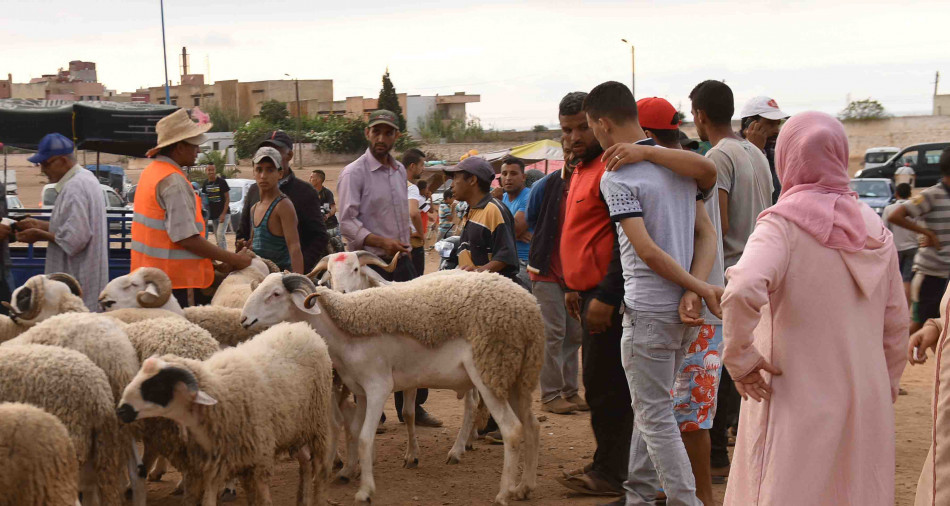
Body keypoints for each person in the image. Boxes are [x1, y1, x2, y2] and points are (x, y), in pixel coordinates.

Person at [720, 111, 908, 506]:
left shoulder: (782, 226)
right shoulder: (876, 231)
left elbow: (741, 288)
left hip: (793, 391)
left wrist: (740, 357)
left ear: (786, 157)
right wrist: (881, 387)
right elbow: (895, 326)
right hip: (865, 394)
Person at [586, 82, 720, 506]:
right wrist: (694, 289)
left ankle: (686, 501)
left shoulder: (618, 176)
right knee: (653, 409)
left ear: (603, 123)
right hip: (680, 313)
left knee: (655, 417)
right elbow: (707, 233)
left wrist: (696, 288)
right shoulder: (680, 167)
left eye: (591, 127)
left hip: (648, 312)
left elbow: (645, 250)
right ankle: (640, 494)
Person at [691, 80, 773, 481]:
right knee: (745, 364)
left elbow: (717, 224)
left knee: (723, 369)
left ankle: (719, 457)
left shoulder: (719, 156)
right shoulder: (756, 154)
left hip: (730, 274)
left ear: (701, 116)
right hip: (762, 273)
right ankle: (739, 453)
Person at [338, 109, 441, 427]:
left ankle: (413, 407)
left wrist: (406, 241)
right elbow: (346, 221)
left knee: (412, 334)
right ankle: (372, 410)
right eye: (376, 132)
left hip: (402, 262)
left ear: (396, 136)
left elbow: (402, 215)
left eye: (388, 132)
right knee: (367, 339)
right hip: (369, 266)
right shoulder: (354, 173)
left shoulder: (399, 172)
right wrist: (381, 241)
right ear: (368, 134)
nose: (382, 138)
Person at [552, 90, 631, 498]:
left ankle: (612, 473)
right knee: (599, 385)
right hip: (584, 295)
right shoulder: (579, 170)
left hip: (607, 301)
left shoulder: (611, 169)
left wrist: (605, 295)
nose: (574, 137)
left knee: (607, 388)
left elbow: (624, 241)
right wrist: (570, 284)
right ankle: (608, 463)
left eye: (582, 127)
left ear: (598, 123)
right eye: (567, 130)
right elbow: (580, 235)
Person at [132, 109, 251, 308]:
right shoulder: (173, 181)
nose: (198, 150)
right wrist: (234, 259)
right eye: (194, 144)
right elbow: (186, 237)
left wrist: (215, 264)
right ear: (179, 147)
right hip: (176, 285)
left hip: (149, 280)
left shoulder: (150, 173)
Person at [526, 138, 586, 415]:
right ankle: (550, 395)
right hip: (548, 272)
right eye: (568, 150)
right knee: (553, 334)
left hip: (578, 274)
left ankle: (570, 391)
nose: (573, 155)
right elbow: (533, 219)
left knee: (574, 334)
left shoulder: (589, 182)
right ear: (563, 152)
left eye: (576, 149)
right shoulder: (545, 186)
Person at [15, 133, 107, 310]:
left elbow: (76, 239)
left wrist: (39, 235)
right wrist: (40, 224)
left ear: (63, 161)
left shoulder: (75, 187)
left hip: (76, 283)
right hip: (84, 280)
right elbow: (75, 227)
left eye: (46, 164)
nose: (42, 170)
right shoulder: (86, 178)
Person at [236, 130, 327, 272]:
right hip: (259, 274)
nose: (263, 175)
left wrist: (297, 273)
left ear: (289, 155)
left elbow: (318, 237)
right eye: (259, 169)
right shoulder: (253, 191)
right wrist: (242, 247)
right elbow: (244, 232)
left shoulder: (305, 192)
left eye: (275, 150)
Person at [887, 147, 950, 335]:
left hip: (947, 278)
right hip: (931, 275)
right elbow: (896, 215)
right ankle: (893, 356)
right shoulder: (932, 195)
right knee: (921, 327)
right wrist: (926, 233)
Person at [445, 156, 520, 281]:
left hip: (492, 291)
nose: (451, 185)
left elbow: (506, 256)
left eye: (455, 178)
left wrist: (477, 273)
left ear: (472, 180)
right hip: (474, 288)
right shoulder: (470, 210)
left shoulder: (493, 210)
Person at [248, 147, 303, 273]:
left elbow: (294, 248)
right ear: (253, 172)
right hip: (260, 278)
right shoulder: (254, 209)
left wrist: (298, 283)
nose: (263, 176)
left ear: (280, 173)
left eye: (270, 170)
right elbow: (256, 246)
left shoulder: (283, 205)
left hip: (279, 282)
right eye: (259, 169)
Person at [739, 96, 789, 204]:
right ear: (750, 124)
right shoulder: (735, 152)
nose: (776, 130)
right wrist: (754, 151)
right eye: (770, 124)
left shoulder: (777, 152)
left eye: (778, 124)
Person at [882, 183, 918, 303]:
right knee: (907, 279)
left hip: (895, 248)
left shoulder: (889, 209)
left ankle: (893, 305)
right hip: (913, 247)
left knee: (893, 279)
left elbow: (884, 229)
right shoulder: (914, 209)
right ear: (910, 194)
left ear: (896, 194)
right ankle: (906, 308)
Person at [500, 156, 532, 287]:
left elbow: (515, 230)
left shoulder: (529, 196)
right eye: (504, 173)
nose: (508, 178)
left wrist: (510, 232)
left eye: (513, 173)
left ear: (523, 177)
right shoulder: (503, 198)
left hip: (524, 262)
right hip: (505, 259)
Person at [201, 164, 230, 249]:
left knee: (220, 235)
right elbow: (204, 200)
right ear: (206, 171)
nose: (211, 172)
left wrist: (223, 214)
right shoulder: (205, 184)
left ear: (215, 170)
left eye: (212, 170)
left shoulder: (222, 182)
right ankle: (224, 256)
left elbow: (227, 198)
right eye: (209, 170)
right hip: (214, 215)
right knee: (218, 237)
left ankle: (225, 258)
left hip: (224, 214)